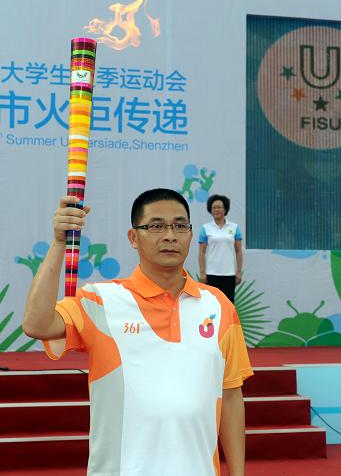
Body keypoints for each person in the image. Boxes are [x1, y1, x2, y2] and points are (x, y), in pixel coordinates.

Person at [23, 188, 253, 476]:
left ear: (191, 235)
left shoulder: (219, 305)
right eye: (156, 226)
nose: (170, 235)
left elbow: (231, 396)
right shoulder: (100, 301)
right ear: (134, 237)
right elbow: (37, 324)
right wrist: (59, 242)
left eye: (179, 226)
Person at [199, 194, 243, 303]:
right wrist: (203, 273)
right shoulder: (206, 228)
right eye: (213, 207)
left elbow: (238, 251)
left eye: (219, 207)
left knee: (228, 305)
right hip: (211, 274)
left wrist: (238, 272)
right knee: (211, 305)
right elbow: (201, 252)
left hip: (229, 274)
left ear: (225, 209)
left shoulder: (234, 227)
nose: (216, 210)